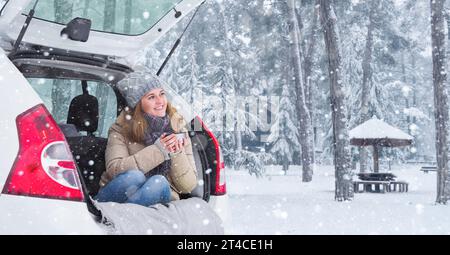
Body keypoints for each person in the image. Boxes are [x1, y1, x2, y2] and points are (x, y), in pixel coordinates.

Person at [95, 68, 197, 207]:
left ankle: (121, 221)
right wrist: (158, 151)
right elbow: (114, 170)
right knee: (135, 177)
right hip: (116, 197)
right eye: (151, 97)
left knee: (159, 182)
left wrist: (176, 153)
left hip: (158, 194)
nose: (160, 101)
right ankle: (123, 219)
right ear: (138, 105)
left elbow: (187, 186)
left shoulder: (178, 129)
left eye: (161, 94)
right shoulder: (120, 130)